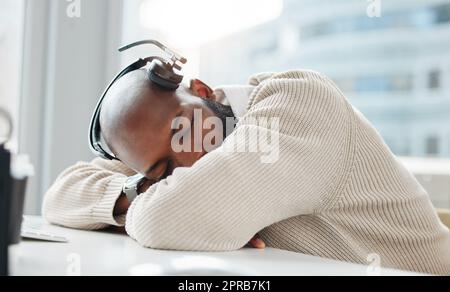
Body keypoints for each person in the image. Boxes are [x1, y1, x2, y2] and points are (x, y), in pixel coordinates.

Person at [43, 69, 450, 275]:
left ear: (202, 90)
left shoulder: (298, 101)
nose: (190, 162)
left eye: (185, 129)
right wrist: (143, 188)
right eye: (163, 170)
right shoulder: (160, 157)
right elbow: (60, 193)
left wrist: (163, 200)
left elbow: (163, 217)